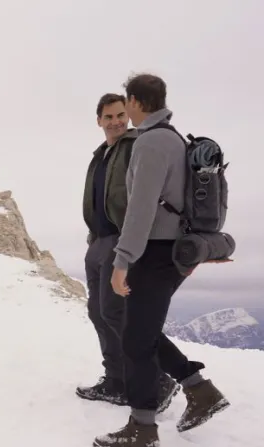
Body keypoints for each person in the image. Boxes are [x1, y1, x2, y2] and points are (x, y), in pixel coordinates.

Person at [93, 73, 229, 447]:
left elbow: (140, 209)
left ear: (136, 101)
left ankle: (143, 427)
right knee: (141, 332)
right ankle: (199, 391)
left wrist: (122, 261)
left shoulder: (151, 142)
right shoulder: (173, 138)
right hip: (172, 250)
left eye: (127, 104)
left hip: (155, 251)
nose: (125, 112)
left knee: (136, 340)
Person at [76, 93, 179, 412]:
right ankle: (117, 380)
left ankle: (158, 379)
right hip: (99, 241)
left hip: (125, 240)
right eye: (108, 117)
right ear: (99, 121)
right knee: (99, 312)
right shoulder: (100, 154)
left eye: (121, 114)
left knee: (120, 314)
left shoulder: (139, 146)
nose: (116, 121)